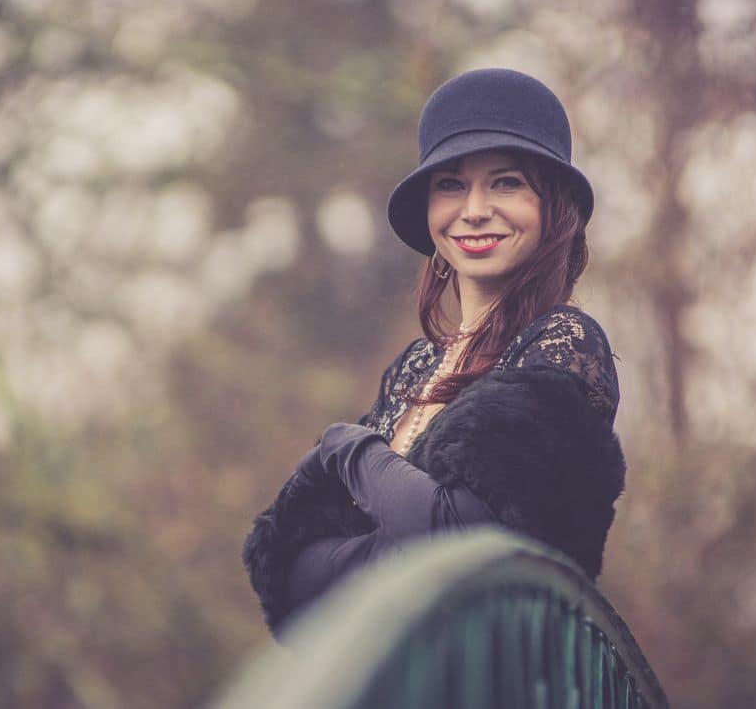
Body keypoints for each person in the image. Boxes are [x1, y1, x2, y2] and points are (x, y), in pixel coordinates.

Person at [241, 68, 626, 641]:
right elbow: (293, 575)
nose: (473, 209)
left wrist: (344, 447)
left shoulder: (564, 345)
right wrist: (400, 531)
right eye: (450, 184)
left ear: (552, 206)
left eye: (505, 182)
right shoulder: (414, 370)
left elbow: (456, 539)